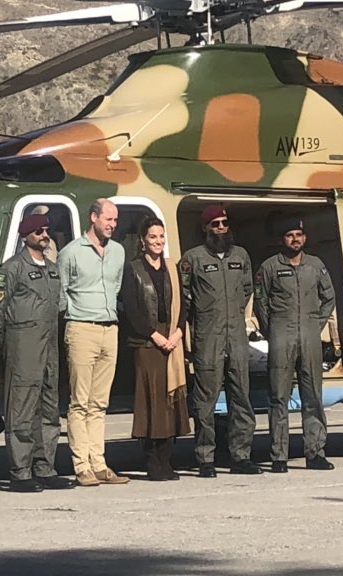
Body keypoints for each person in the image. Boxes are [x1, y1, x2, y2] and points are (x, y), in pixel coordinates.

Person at [0, 213, 75, 492]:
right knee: (21, 410)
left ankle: (44, 467)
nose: (44, 235)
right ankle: (20, 471)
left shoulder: (51, 269)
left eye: (46, 230)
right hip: (23, 346)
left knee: (49, 410)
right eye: (38, 231)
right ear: (26, 236)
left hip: (49, 347)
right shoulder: (11, 269)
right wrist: (10, 345)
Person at [179, 204, 261, 478]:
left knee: (241, 397)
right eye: (215, 224)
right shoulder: (193, 259)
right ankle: (205, 458)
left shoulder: (241, 256)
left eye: (224, 223)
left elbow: (248, 289)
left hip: (236, 336)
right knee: (205, 401)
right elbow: (184, 295)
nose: (221, 228)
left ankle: (241, 456)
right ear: (205, 228)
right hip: (208, 336)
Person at [253, 216, 336, 473]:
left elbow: (329, 297)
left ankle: (315, 452)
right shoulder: (269, 267)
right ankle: (279, 455)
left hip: (310, 335)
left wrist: (316, 323)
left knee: (313, 395)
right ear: (282, 240)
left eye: (299, 235)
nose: (295, 239)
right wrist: (272, 329)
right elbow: (261, 302)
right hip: (281, 335)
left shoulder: (315, 265)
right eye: (290, 235)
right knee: (279, 397)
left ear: (305, 238)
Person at [58, 198, 129, 487]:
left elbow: (116, 286)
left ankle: (99, 463)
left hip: (109, 328)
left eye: (115, 220)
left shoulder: (119, 252)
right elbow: (61, 294)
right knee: (80, 402)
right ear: (94, 218)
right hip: (81, 328)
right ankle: (81, 465)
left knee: (100, 403)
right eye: (108, 219)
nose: (112, 225)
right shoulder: (71, 253)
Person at [121, 216, 190, 480]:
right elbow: (131, 309)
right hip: (147, 342)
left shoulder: (172, 268)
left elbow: (183, 304)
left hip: (172, 337)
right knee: (152, 402)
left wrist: (178, 333)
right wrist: (154, 336)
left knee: (171, 403)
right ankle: (152, 461)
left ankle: (167, 459)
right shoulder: (134, 269)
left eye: (161, 237)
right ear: (143, 241)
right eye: (153, 237)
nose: (158, 242)